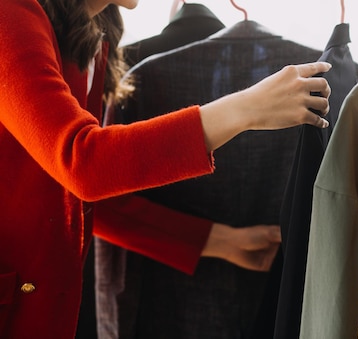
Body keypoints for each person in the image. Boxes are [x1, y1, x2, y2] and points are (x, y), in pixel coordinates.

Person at [0, 0, 331, 338]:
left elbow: (86, 199)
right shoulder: (8, 14)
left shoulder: (86, 35)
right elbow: (83, 164)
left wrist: (217, 241)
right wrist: (244, 110)